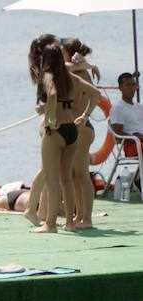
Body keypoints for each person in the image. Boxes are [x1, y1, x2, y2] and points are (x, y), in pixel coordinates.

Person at [25, 41, 98, 233]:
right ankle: (69, 223)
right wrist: (85, 115)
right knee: (67, 178)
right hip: (72, 129)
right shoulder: (70, 77)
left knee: (52, 179)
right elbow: (95, 94)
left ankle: (50, 224)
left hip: (55, 131)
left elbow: (52, 94)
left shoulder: (49, 76)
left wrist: (50, 118)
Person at [61, 38, 100, 229]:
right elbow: (62, 68)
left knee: (82, 174)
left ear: (67, 53)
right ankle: (79, 215)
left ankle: (87, 218)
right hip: (76, 126)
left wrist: (84, 116)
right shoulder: (75, 70)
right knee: (75, 174)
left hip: (83, 128)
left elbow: (94, 95)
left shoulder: (81, 74)